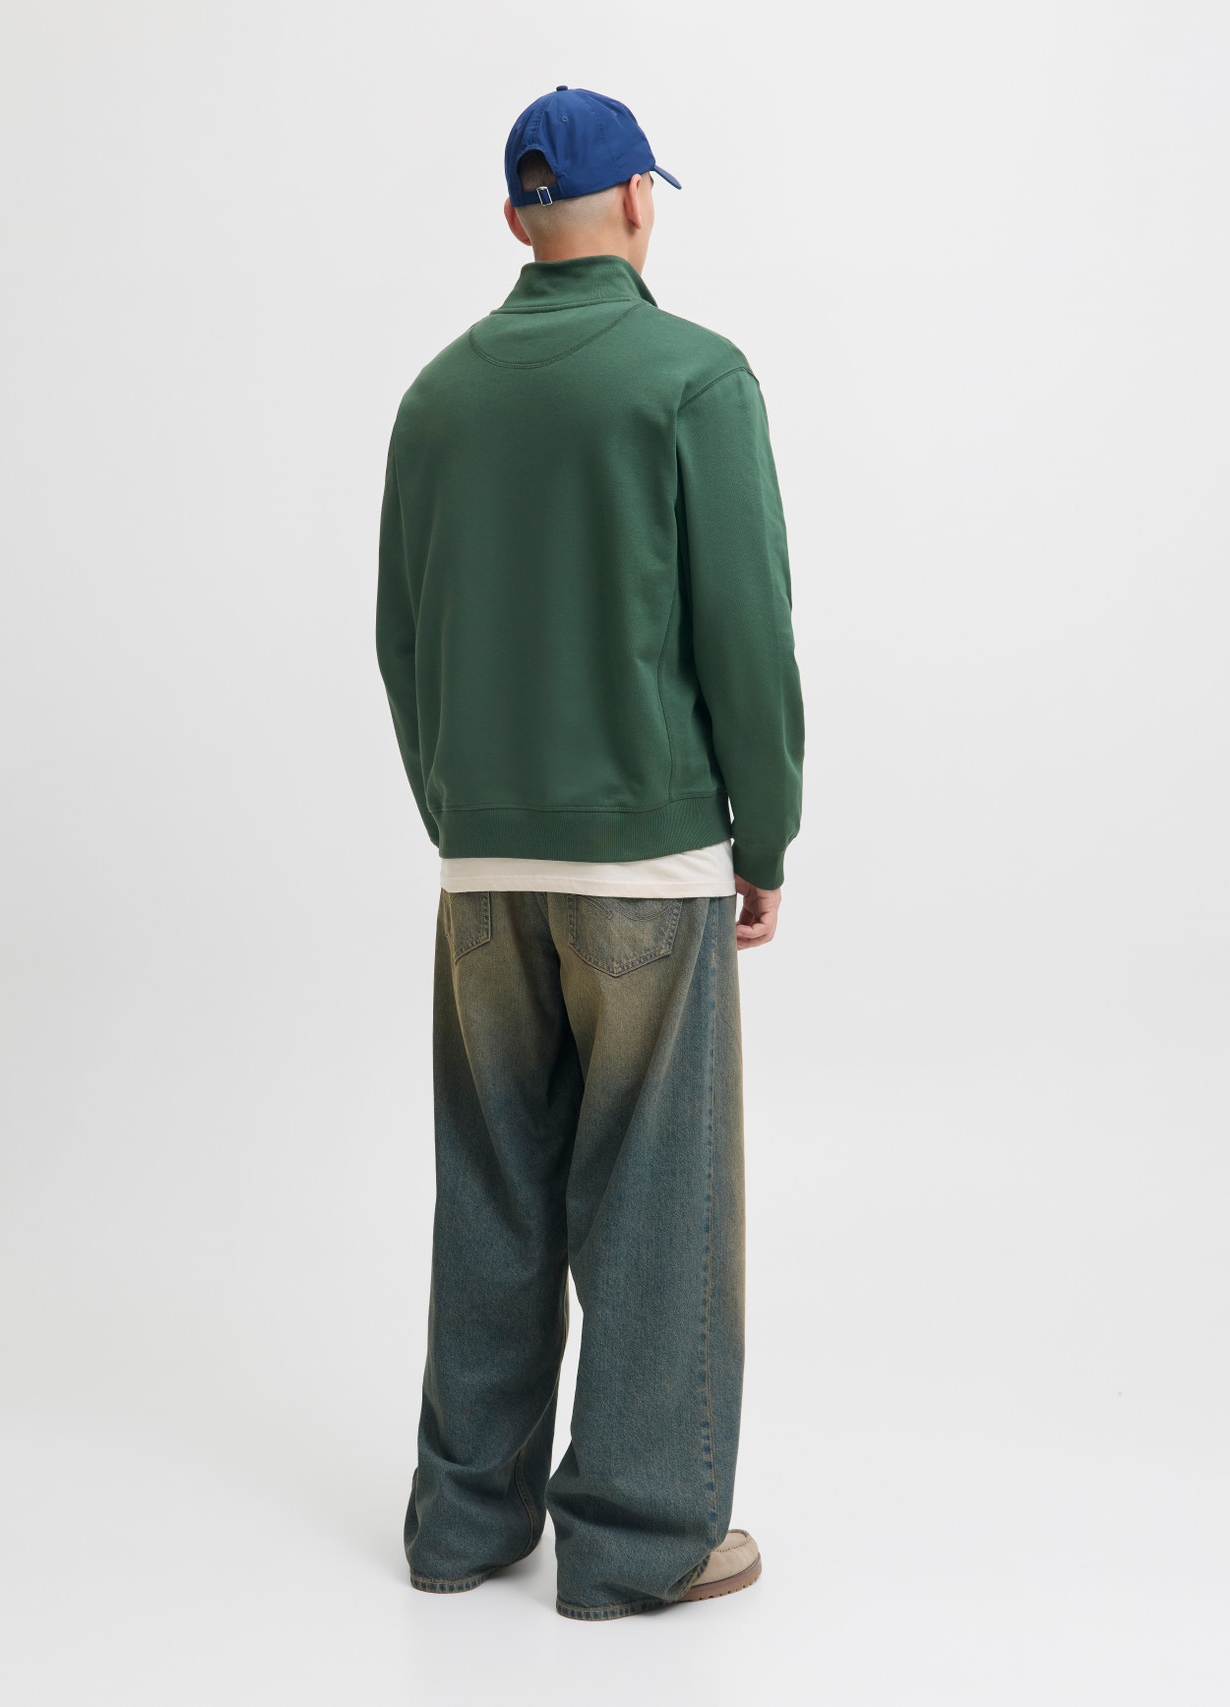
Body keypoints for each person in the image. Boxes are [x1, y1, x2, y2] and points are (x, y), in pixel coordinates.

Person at [376, 84, 805, 1622]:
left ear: (517, 217)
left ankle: (462, 1521)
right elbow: (746, 631)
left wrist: (464, 815)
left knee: (492, 1185)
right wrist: (765, 829)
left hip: (484, 868)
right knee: (655, 1194)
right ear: (637, 203)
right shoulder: (694, 379)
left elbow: (401, 639)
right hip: (648, 861)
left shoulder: (436, 397)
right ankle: (637, 1539)